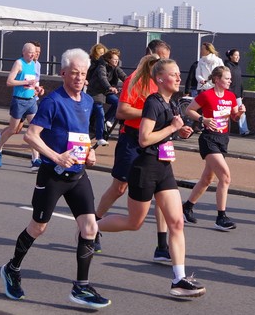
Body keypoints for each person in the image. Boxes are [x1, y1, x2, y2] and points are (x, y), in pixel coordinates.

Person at [0, 48, 111, 308]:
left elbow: (81, 135)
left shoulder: (87, 101)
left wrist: (89, 152)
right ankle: (12, 269)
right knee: (38, 227)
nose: (79, 78)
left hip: (77, 174)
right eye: (74, 73)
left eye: (83, 74)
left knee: (90, 227)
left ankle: (81, 287)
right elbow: (30, 136)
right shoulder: (53, 101)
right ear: (63, 73)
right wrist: (56, 157)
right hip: (53, 174)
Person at [98, 58, 205, 297]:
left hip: (164, 167)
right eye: (173, 74)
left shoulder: (171, 103)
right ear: (159, 78)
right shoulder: (153, 102)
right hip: (145, 167)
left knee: (176, 223)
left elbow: (165, 132)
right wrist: (171, 128)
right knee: (134, 223)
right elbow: (144, 138)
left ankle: (179, 279)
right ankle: (90, 228)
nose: (179, 77)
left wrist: (180, 131)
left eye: (178, 74)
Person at [95, 40, 174, 262]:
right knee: (120, 187)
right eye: (161, 57)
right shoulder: (136, 79)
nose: (164, 62)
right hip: (133, 139)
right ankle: (93, 222)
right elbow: (121, 111)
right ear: (149, 55)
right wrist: (149, 113)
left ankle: (162, 246)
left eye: (167, 58)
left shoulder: (164, 83)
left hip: (158, 142)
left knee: (161, 193)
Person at [182, 65, 245, 231]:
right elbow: (189, 110)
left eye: (230, 78)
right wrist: (203, 119)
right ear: (217, 79)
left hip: (223, 139)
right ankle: (221, 217)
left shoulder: (231, 96)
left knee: (207, 179)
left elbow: (234, 117)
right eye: (227, 78)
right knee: (225, 177)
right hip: (208, 139)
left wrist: (240, 112)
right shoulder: (206, 95)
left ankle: (186, 207)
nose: (230, 81)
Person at [0, 42, 44, 167]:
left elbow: (32, 81)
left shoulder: (34, 64)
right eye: (30, 53)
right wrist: (24, 83)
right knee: (13, 129)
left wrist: (37, 88)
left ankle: (35, 159)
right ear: (24, 52)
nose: (33, 55)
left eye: (34, 53)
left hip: (31, 100)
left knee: (34, 130)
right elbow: (9, 82)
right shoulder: (19, 63)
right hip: (19, 100)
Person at [224, 49, 250, 136]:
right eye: (235, 55)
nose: (238, 57)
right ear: (231, 56)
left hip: (237, 94)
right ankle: (222, 129)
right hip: (229, 93)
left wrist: (241, 92)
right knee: (225, 112)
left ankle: (244, 130)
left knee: (241, 112)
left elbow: (239, 81)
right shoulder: (227, 66)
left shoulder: (237, 67)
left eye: (238, 55)